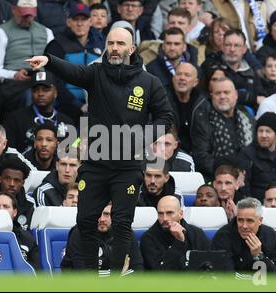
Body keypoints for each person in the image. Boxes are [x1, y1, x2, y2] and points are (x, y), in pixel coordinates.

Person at [26, 27, 174, 272]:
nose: (114, 48)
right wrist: (49, 61)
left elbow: (165, 116)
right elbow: (73, 72)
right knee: (85, 221)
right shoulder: (95, 73)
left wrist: (143, 137)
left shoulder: (149, 82)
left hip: (127, 166)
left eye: (120, 44)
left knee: (121, 224)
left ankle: (115, 280)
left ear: (132, 49)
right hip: (96, 164)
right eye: (110, 43)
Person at [191, 77, 255, 179]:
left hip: (248, 177)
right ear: (212, 96)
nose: (222, 96)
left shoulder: (247, 117)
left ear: (236, 95)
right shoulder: (203, 118)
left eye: (226, 92)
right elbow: (201, 156)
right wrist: (228, 176)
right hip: (217, 179)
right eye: (218, 93)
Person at [61, 203, 144, 273]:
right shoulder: (79, 232)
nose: (101, 219)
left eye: (107, 214)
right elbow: (84, 275)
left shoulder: (124, 231)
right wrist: (118, 274)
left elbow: (138, 270)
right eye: (98, 214)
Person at [4, 70, 74, 152]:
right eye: (35, 90)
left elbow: (71, 156)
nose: (40, 93)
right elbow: (9, 153)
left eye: (45, 89)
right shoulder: (15, 119)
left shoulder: (67, 122)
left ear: (55, 93)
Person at [211, 197, 276, 273]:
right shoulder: (223, 236)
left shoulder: (271, 236)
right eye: (240, 220)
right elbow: (226, 277)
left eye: (249, 221)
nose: (244, 226)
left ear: (260, 221)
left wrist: (259, 256)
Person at [140, 195, 209, 270]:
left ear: (181, 214)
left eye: (169, 213)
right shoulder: (149, 238)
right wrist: (178, 243)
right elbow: (160, 274)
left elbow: (208, 266)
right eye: (160, 214)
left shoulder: (197, 234)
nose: (165, 218)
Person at [0, 157, 35, 231]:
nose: (11, 184)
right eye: (7, 179)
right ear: (0, 179)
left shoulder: (30, 202)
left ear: (23, 183)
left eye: (16, 180)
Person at [0, 191, 40, 269]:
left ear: (15, 212)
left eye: (6, 206)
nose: (1, 210)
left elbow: (37, 269)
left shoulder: (26, 238)